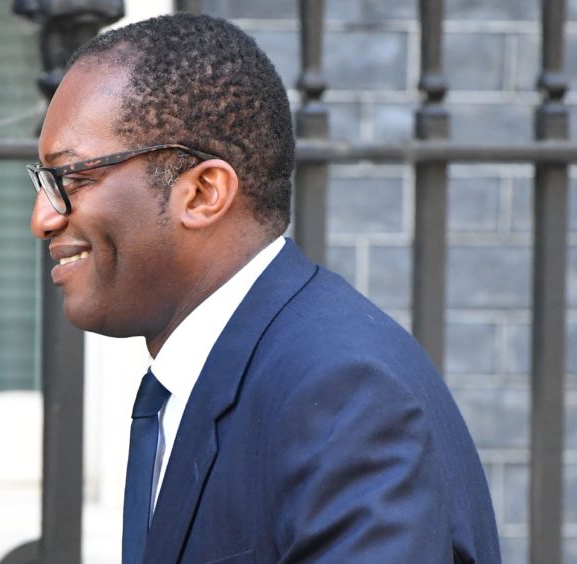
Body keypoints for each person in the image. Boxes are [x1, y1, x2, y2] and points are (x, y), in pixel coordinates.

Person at [28, 12, 500, 564]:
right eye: (43, 182)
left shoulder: (344, 396)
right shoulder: (224, 374)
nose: (43, 216)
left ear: (203, 192)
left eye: (74, 177)